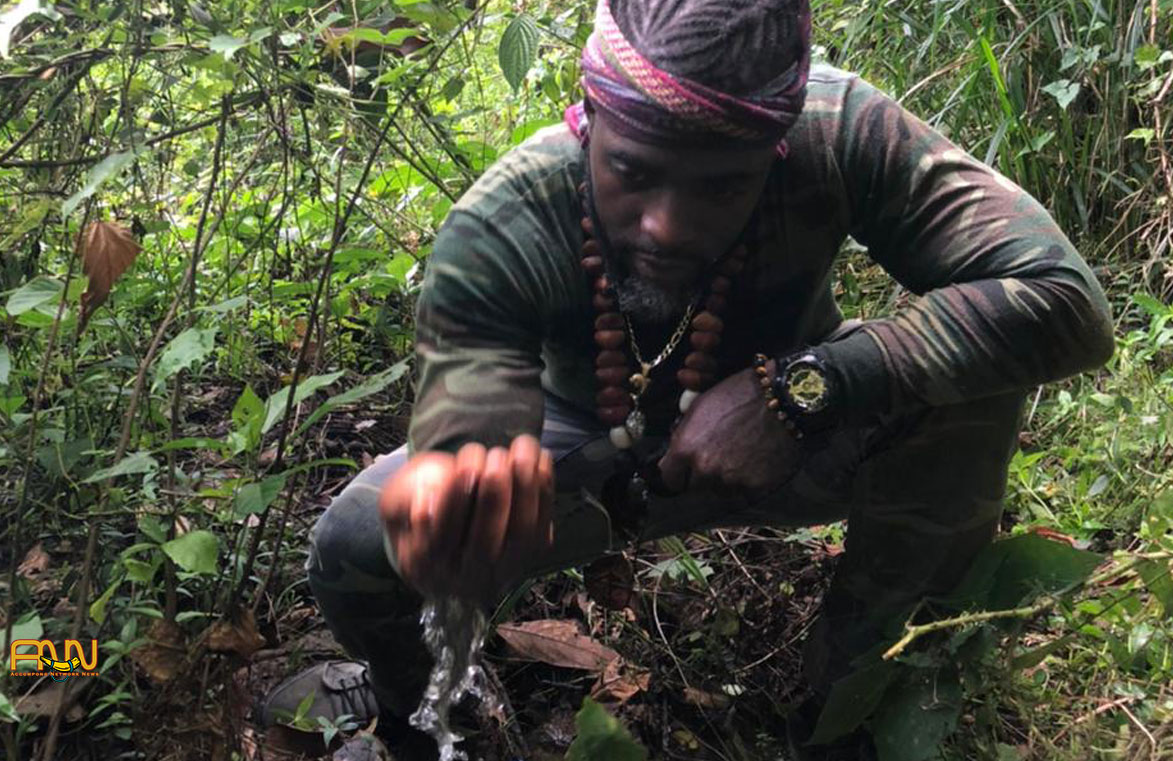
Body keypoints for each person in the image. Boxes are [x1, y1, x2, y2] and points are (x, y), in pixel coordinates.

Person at [260, 0, 1115, 758]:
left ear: (774, 152)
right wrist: (468, 490)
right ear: (589, 117)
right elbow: (472, 408)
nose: (667, 225)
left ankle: (865, 690)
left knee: (972, 385)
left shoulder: (839, 128)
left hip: (804, 440)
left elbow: (1063, 299)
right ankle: (429, 697)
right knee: (356, 544)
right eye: (633, 173)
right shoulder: (507, 216)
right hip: (585, 461)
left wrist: (804, 388)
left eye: (722, 186)